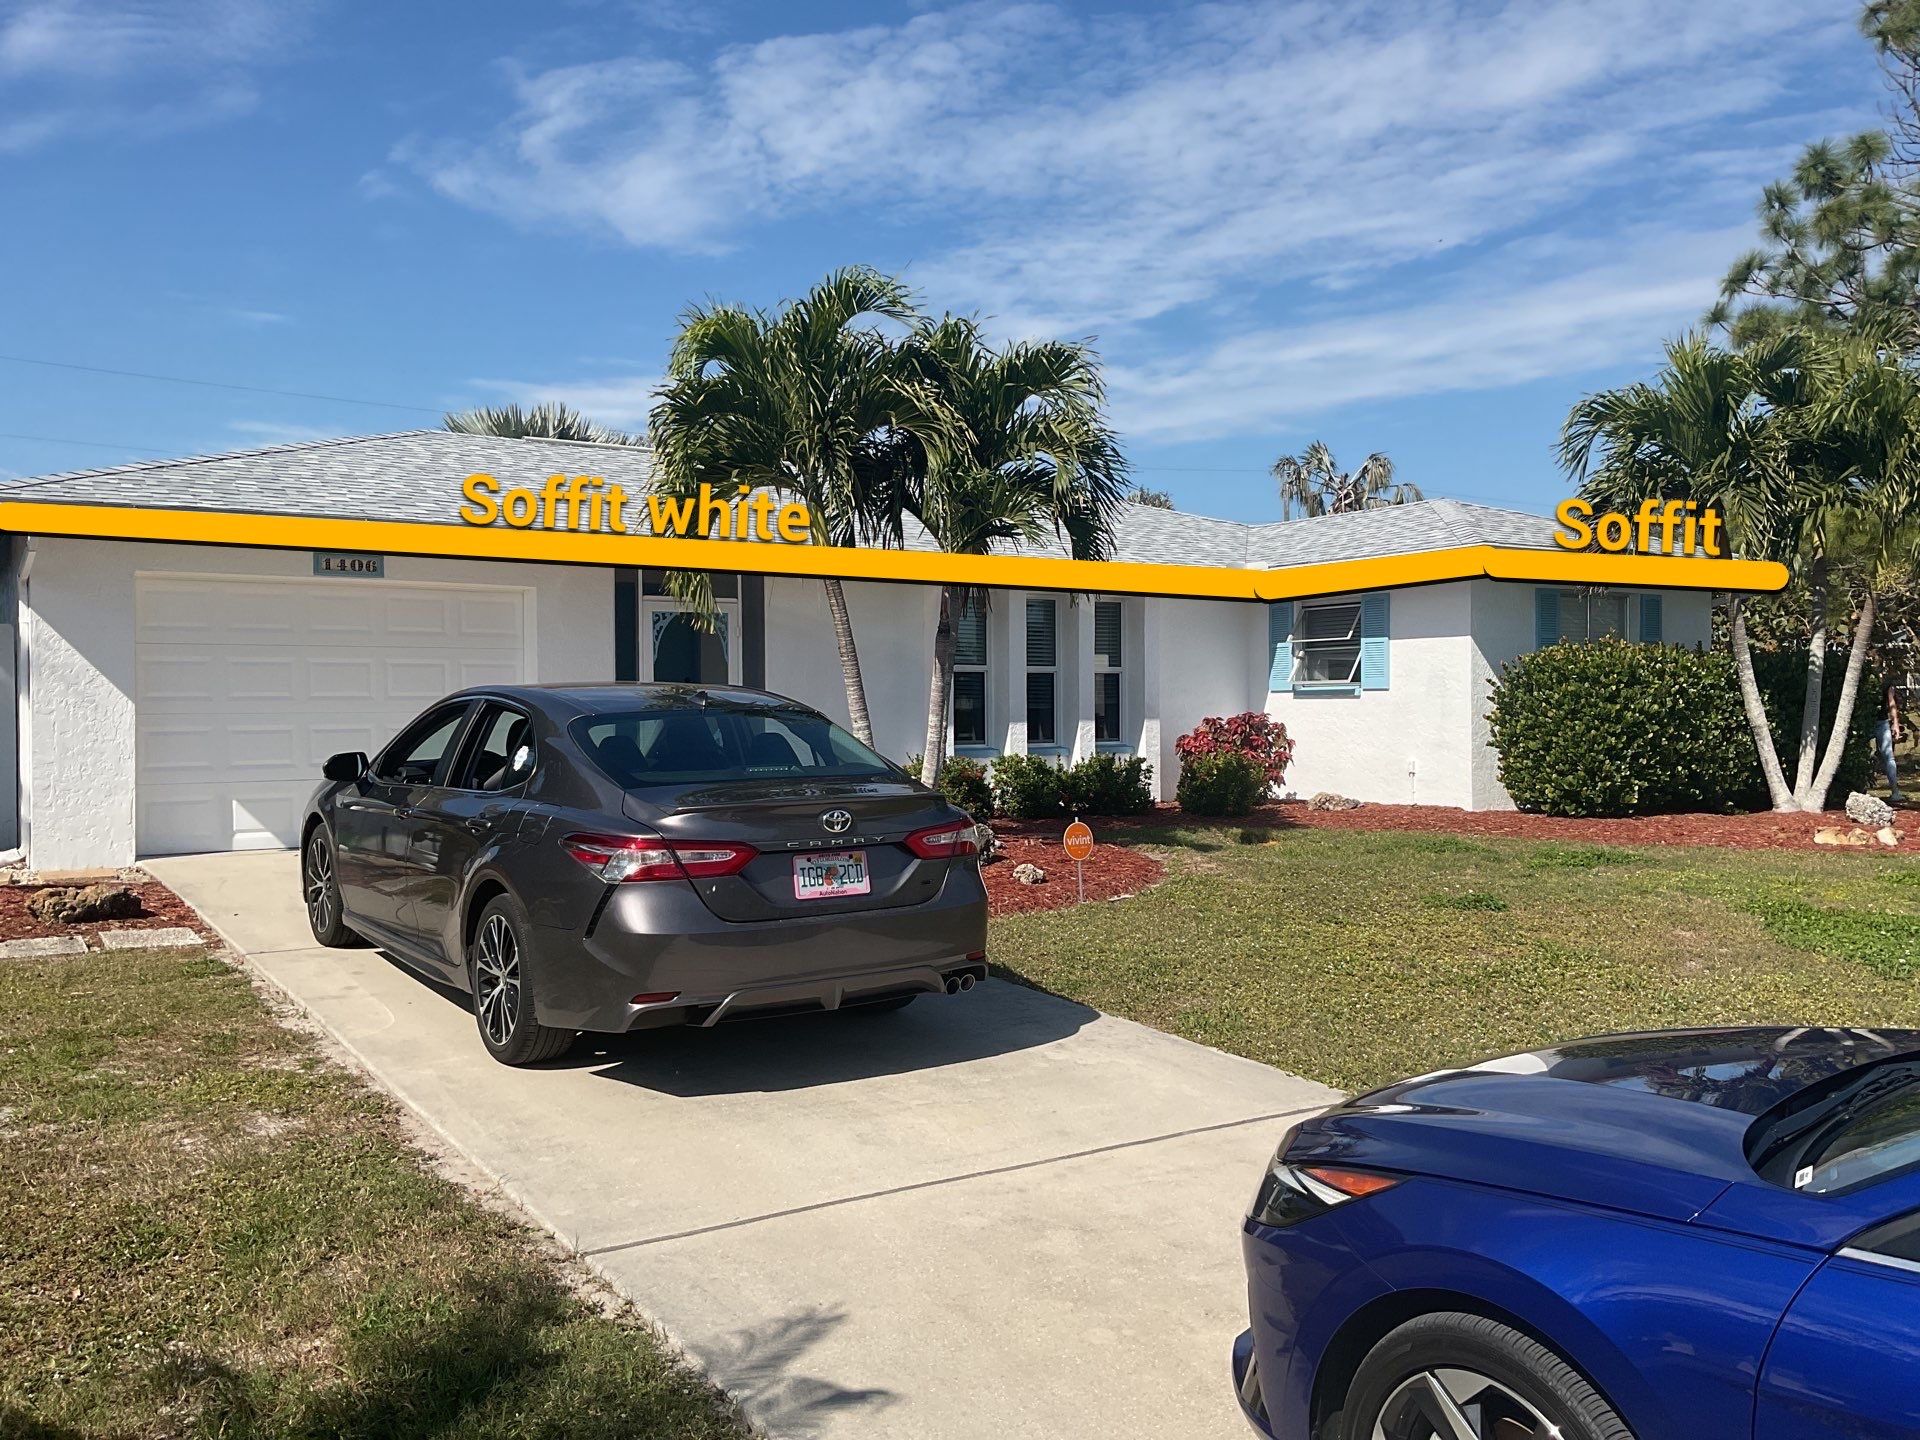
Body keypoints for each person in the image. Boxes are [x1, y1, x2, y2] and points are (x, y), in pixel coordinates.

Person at [1879, 681, 1907, 805]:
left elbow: (1892, 704)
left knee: (1889, 756)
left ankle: (1895, 791)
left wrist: (1895, 723)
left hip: (1882, 722)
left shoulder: (1887, 684)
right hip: (1866, 720)